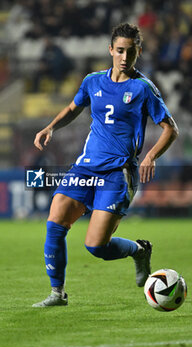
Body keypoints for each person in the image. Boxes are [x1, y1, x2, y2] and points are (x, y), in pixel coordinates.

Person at [32, 23, 178, 307]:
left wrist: (150, 156)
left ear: (138, 52)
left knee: (96, 246)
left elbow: (170, 129)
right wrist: (51, 127)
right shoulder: (92, 81)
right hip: (86, 168)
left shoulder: (143, 88)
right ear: (110, 50)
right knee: (55, 220)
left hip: (118, 172)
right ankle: (57, 293)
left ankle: (138, 250)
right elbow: (74, 108)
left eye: (131, 51)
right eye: (120, 50)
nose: (125, 57)